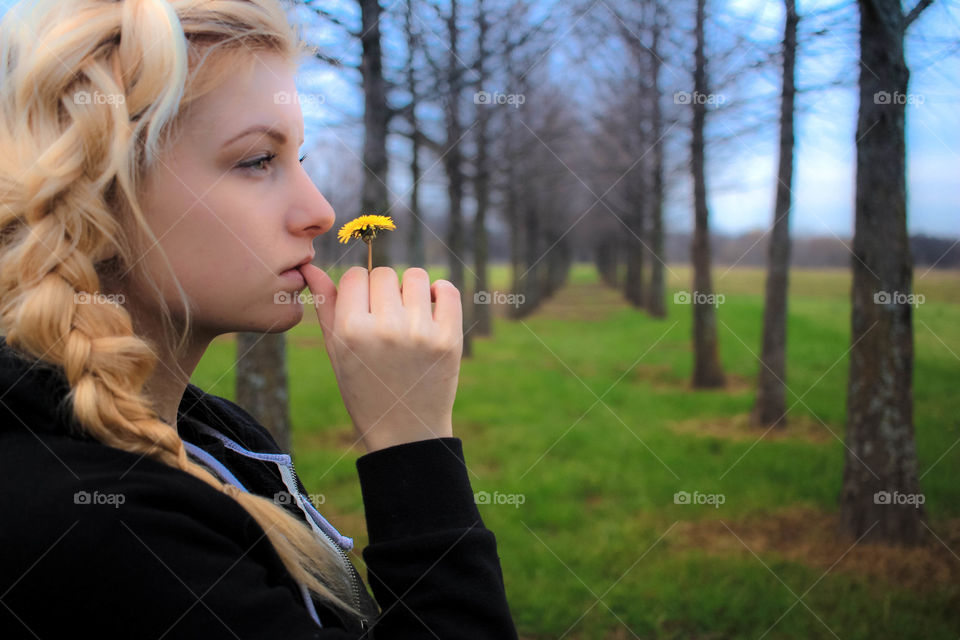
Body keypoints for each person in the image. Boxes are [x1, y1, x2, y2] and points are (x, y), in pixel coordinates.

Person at [0, 0, 519, 637]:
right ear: (96, 201)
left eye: (296, 158)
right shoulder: (99, 524)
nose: (321, 212)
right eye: (256, 161)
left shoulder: (214, 435)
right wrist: (413, 446)